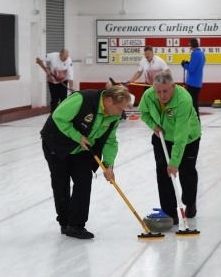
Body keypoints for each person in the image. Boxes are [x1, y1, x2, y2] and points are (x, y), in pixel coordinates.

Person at [40, 86, 131, 239]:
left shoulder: (113, 116)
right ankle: (64, 221)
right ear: (109, 100)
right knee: (60, 183)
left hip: (82, 149)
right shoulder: (83, 99)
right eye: (120, 108)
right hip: (57, 143)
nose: (121, 113)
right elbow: (59, 117)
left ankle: (76, 225)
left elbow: (110, 140)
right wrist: (77, 136)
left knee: (83, 180)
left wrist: (109, 164)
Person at [138, 72, 201, 224]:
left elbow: (181, 135)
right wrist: (154, 126)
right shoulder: (148, 96)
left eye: (165, 91)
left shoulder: (184, 99)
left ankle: (190, 201)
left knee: (187, 172)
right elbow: (144, 113)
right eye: (158, 91)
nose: (162, 95)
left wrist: (174, 162)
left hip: (188, 138)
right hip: (162, 136)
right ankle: (170, 213)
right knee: (162, 169)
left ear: (173, 86)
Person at [181, 38, 206, 119]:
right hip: (198, 82)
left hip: (193, 82)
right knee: (193, 102)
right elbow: (197, 65)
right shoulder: (202, 54)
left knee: (192, 103)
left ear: (191, 45)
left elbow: (191, 68)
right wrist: (188, 63)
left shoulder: (195, 53)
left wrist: (184, 65)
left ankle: (195, 121)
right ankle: (195, 120)